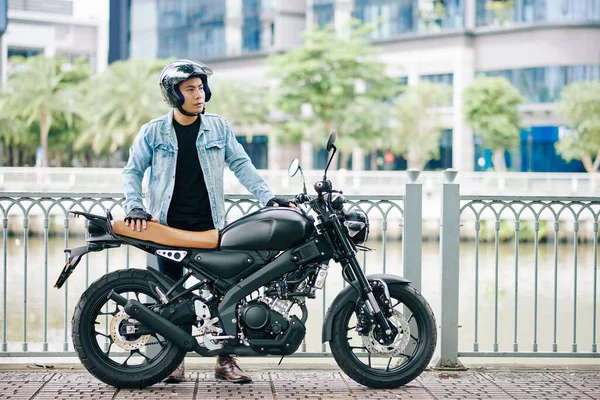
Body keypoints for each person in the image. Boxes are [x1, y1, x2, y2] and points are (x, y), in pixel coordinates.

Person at [122, 59, 294, 384]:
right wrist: (134, 205)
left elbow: (242, 164)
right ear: (174, 95)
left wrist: (267, 198)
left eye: (201, 88)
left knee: (225, 293)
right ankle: (173, 363)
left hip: (210, 227)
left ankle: (225, 362)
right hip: (169, 228)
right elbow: (132, 170)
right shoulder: (154, 132)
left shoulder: (218, 127)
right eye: (190, 89)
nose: (199, 95)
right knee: (172, 298)